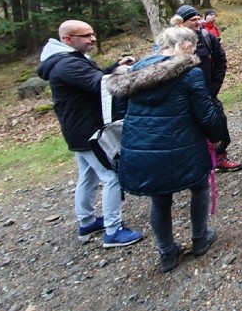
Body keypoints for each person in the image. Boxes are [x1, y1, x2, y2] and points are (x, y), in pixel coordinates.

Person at [107, 26, 223, 272]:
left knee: (159, 200)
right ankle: (200, 237)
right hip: (183, 144)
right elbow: (206, 114)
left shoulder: (133, 72)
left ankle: (167, 252)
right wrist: (217, 138)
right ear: (182, 46)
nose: (193, 53)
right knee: (200, 186)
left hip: (143, 147)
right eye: (192, 49)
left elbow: (120, 113)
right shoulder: (189, 74)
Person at [37, 20, 144, 248]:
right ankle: (113, 231)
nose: (92, 39)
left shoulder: (70, 60)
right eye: (86, 35)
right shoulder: (67, 65)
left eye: (92, 34)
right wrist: (129, 72)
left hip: (79, 129)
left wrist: (114, 67)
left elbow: (94, 77)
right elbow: (99, 84)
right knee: (112, 177)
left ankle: (87, 221)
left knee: (89, 177)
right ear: (68, 39)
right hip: (87, 132)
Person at [176, 5, 242, 172]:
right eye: (193, 20)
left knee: (219, 122)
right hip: (183, 96)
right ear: (182, 23)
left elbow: (221, 61)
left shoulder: (207, 37)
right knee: (189, 129)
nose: (198, 22)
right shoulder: (173, 41)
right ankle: (193, 164)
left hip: (208, 93)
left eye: (199, 18)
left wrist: (215, 86)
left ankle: (220, 157)